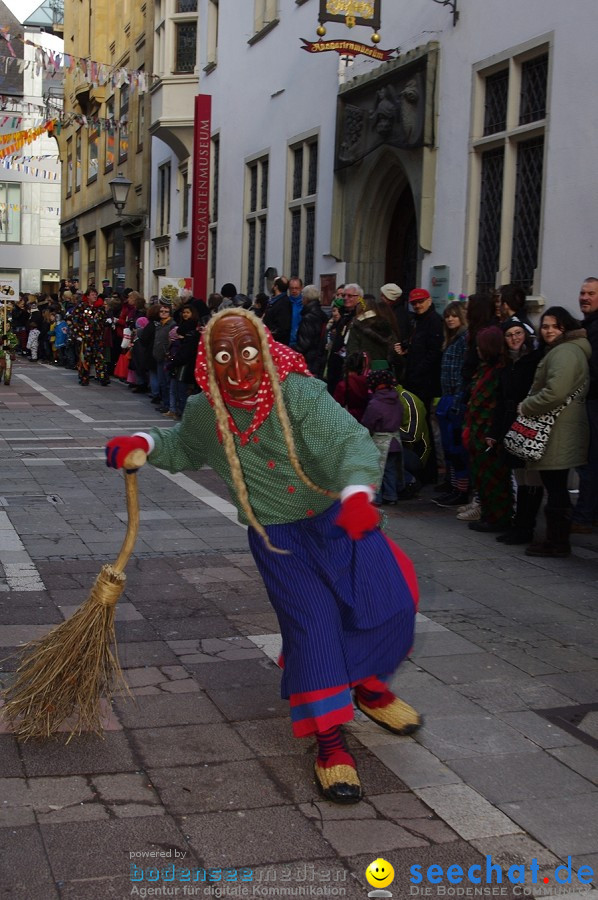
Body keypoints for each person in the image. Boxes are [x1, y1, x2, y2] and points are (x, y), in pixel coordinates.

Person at [106, 308, 420, 804]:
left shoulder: (298, 394)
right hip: (280, 541)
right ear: (210, 360)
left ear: (266, 351)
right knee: (313, 630)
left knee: (389, 606)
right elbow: (181, 446)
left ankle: (367, 686)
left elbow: (348, 441)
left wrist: (358, 492)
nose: (238, 369)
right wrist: (143, 443)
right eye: (224, 356)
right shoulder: (207, 412)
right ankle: (331, 744)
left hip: (339, 518)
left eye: (248, 353)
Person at [522, 307, 590, 558]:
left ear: (566, 328)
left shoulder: (566, 352)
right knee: (556, 484)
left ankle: (557, 542)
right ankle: (555, 540)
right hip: (560, 426)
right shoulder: (563, 349)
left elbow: (555, 392)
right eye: (545, 326)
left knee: (556, 486)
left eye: (554, 326)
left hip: (558, 427)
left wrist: (526, 405)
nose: (548, 331)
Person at [488, 318, 543, 544]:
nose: (514, 339)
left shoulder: (534, 361)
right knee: (519, 475)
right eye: (510, 335)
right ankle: (518, 524)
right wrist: (494, 431)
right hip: (510, 422)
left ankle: (526, 527)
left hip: (528, 421)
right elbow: (501, 401)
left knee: (531, 476)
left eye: (518, 333)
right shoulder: (505, 366)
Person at [463, 326, 513, 533]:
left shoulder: (500, 371)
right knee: (481, 475)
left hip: (489, 431)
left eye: (480, 346)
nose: (477, 350)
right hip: (477, 430)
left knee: (494, 477)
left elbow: (496, 403)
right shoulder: (484, 369)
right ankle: (488, 514)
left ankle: (498, 517)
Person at [434, 301, 469, 507]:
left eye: (454, 315)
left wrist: (457, 400)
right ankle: (454, 485)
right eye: (447, 316)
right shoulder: (451, 339)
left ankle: (461, 489)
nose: (449, 319)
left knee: (457, 449)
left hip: (456, 398)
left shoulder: (464, 338)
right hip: (447, 397)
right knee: (449, 448)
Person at [572, 277, 598, 533]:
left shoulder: (594, 328)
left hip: (592, 401)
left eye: (591, 293)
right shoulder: (587, 326)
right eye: (582, 292)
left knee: (589, 459)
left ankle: (584, 515)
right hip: (588, 400)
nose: (584, 297)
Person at [361, 369, 404, 506]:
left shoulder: (375, 404)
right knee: (390, 470)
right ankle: (391, 495)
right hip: (396, 441)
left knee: (376, 470)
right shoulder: (397, 401)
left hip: (380, 441)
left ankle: (376, 497)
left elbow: (368, 423)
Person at [346, 295, 401, 368]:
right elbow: (395, 349)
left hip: (364, 370)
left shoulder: (356, 327)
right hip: (385, 370)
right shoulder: (386, 324)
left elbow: (352, 352)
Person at [294, 284, 328, 377]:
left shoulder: (309, 317)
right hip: (318, 358)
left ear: (306, 299)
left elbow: (304, 344)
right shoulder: (321, 314)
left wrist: (289, 350)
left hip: (310, 360)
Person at [263, 276, 292, 345]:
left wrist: (270, 334)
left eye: (273, 284)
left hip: (276, 341)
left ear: (276, 287)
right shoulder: (273, 301)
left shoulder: (283, 303)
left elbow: (282, 327)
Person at [288, 277, 304, 346]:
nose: (294, 291)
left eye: (296, 288)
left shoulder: (305, 304)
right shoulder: (286, 303)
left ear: (301, 288)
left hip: (300, 341)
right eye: (292, 288)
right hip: (287, 341)